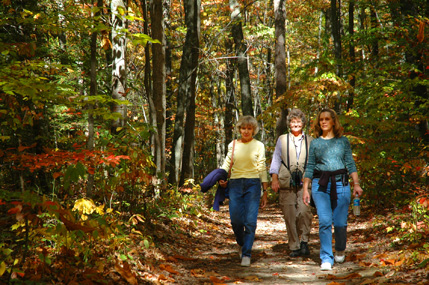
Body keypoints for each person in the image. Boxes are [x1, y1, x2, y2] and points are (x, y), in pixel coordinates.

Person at [302, 108, 363, 271]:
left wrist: (356, 183)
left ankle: (340, 249)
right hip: (320, 184)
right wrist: (305, 188)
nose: (323, 122)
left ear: (333, 122)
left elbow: (350, 163)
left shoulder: (343, 141)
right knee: (324, 221)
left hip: (341, 183)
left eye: (327, 119)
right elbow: (310, 167)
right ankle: (326, 257)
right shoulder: (315, 143)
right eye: (321, 119)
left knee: (341, 223)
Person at [219, 115, 269, 267]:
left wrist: (265, 190)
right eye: (243, 128)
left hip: (253, 184)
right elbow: (227, 162)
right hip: (234, 184)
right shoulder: (233, 144)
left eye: (249, 128)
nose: (246, 131)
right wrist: (221, 177)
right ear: (239, 129)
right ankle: (241, 243)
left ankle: (247, 253)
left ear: (254, 130)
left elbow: (261, 166)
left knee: (250, 221)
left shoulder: (259, 145)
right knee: (236, 220)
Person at [269, 109, 314, 257]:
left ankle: (304, 242)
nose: (295, 124)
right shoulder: (282, 139)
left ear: (303, 123)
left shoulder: (311, 140)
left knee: (304, 212)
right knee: (289, 215)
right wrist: (274, 179)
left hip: (305, 183)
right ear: (289, 124)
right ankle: (294, 246)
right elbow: (276, 159)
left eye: (298, 121)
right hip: (285, 181)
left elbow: (314, 162)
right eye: (293, 121)